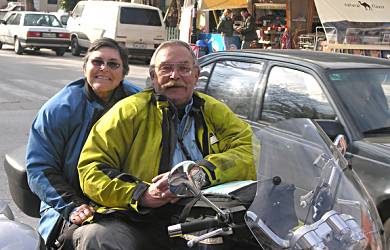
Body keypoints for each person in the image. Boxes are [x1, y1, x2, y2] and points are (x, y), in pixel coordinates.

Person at [74, 40, 256, 250]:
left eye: (184, 69)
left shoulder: (213, 110)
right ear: (153, 77)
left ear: (196, 75)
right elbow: (91, 169)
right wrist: (141, 194)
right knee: (98, 237)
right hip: (137, 217)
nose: (175, 76)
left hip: (202, 214)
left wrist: (201, 173)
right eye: (166, 68)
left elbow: (250, 151)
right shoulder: (128, 111)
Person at [25, 38, 141, 247]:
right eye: (97, 62)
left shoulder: (139, 104)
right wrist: (73, 206)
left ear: (124, 72)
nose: (104, 68)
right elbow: (39, 168)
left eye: (113, 64)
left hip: (130, 199)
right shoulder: (59, 109)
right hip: (71, 202)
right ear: (84, 66)